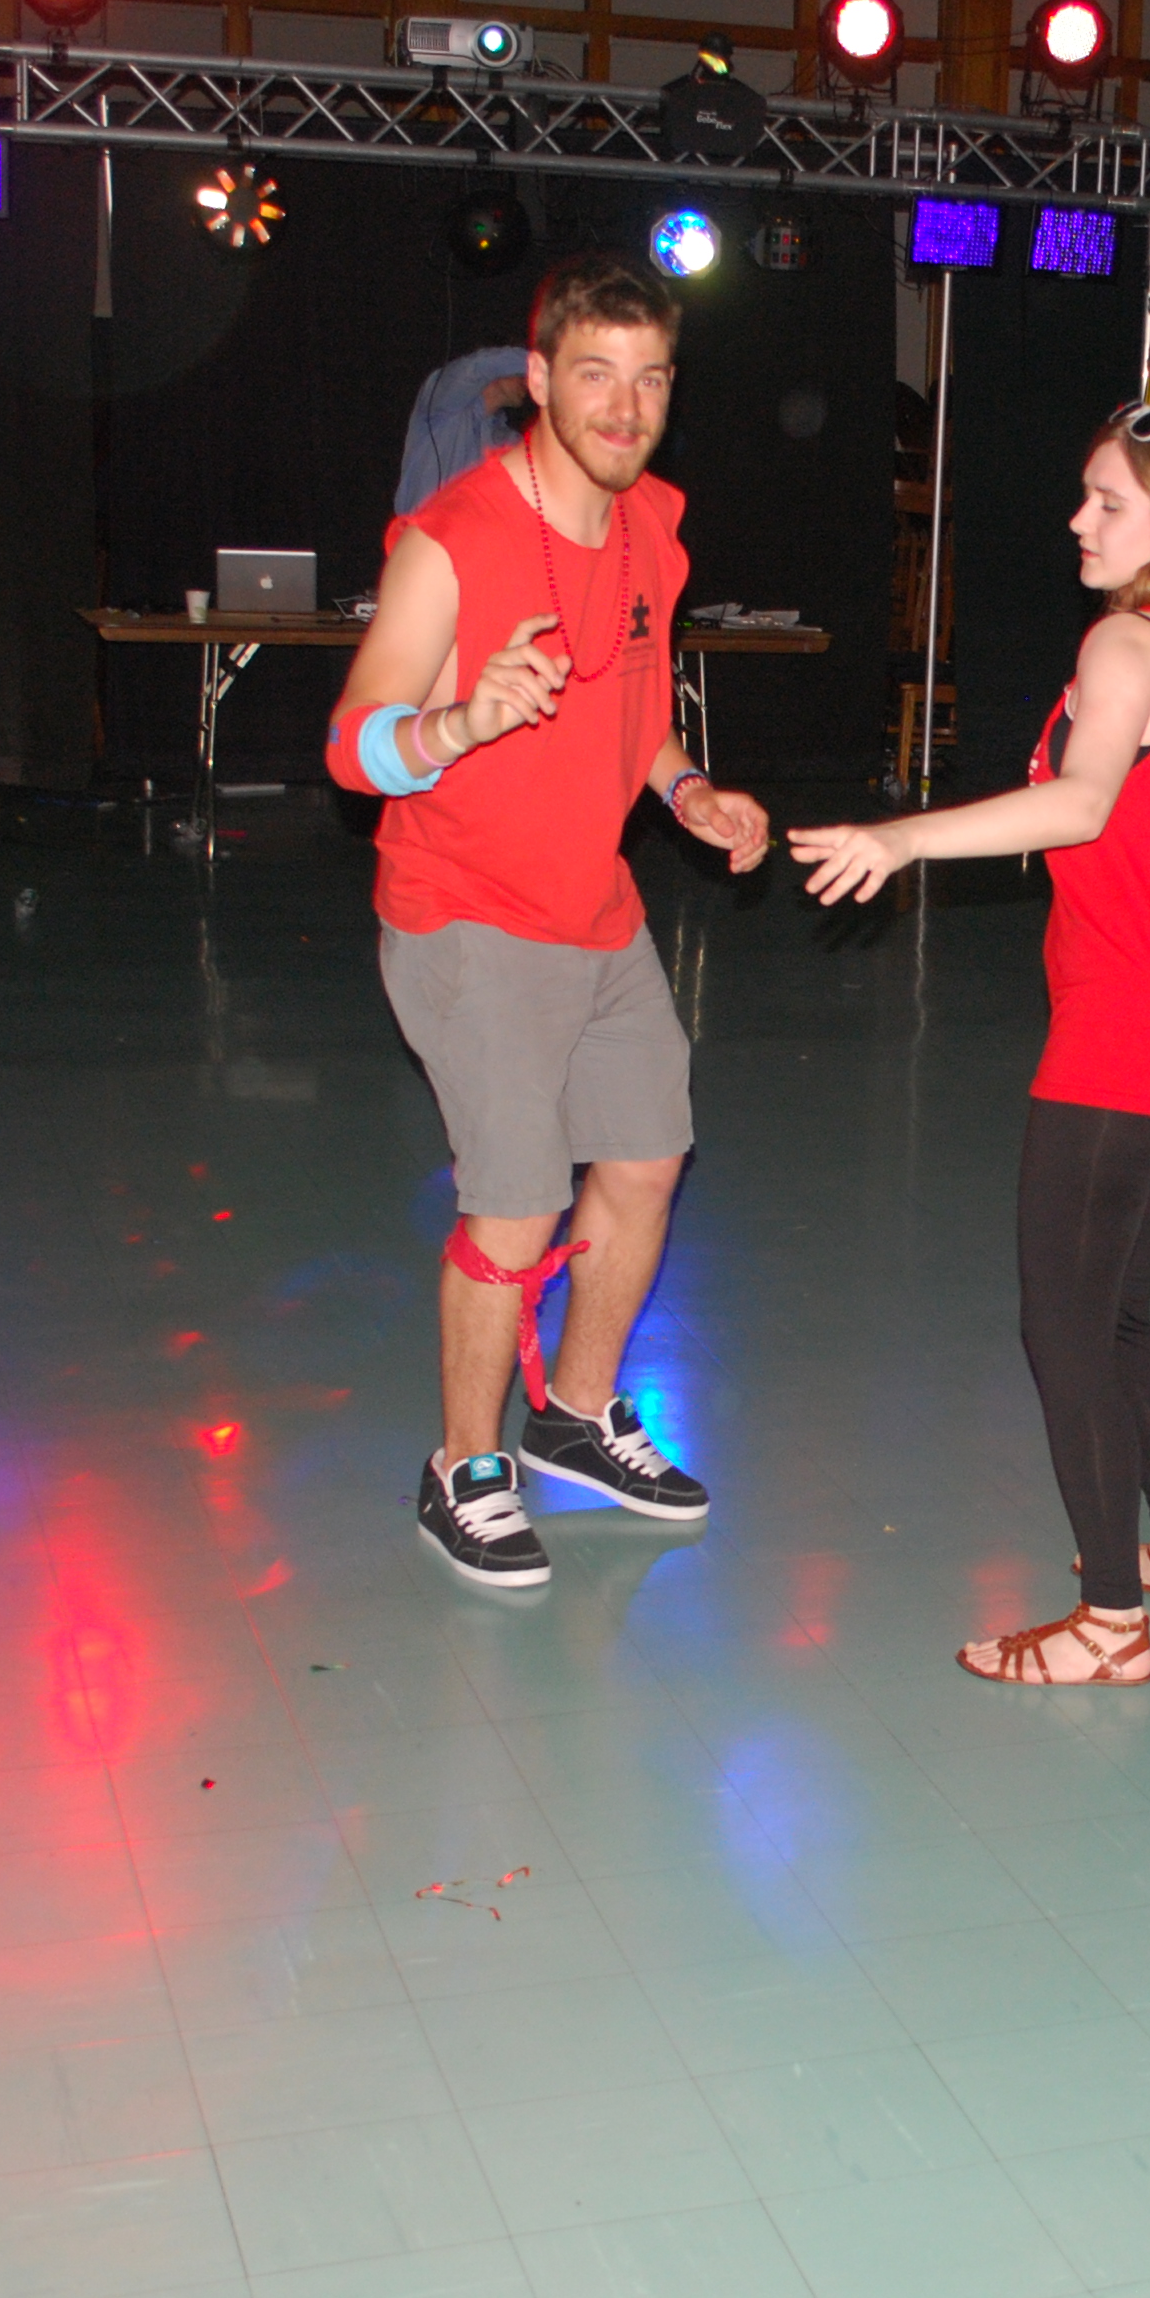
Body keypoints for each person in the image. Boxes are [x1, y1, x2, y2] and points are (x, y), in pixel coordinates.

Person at [790, 403, 1150, 1686]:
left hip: (1128, 1039)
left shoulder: (1126, 641)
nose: (1078, 520)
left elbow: (1079, 802)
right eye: (1082, 495)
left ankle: (1109, 1625)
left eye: (1108, 502)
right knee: (1114, 1314)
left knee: (1064, 1331)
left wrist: (900, 837)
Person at [328, 256, 771, 1589]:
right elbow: (352, 745)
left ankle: (574, 1418)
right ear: (537, 382)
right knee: (515, 1211)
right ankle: (464, 1467)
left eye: (650, 380)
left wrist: (686, 791)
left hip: (594, 905)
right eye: (595, 376)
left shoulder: (653, 528)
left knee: (645, 1159)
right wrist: (462, 721)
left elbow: (633, 711)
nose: (624, 409)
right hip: (465, 915)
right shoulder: (452, 539)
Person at [397, 342, 532, 516]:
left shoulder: (507, 441)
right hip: (419, 530)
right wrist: (546, 362)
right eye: (520, 371)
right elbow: (478, 366)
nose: (527, 380)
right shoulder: (441, 404)